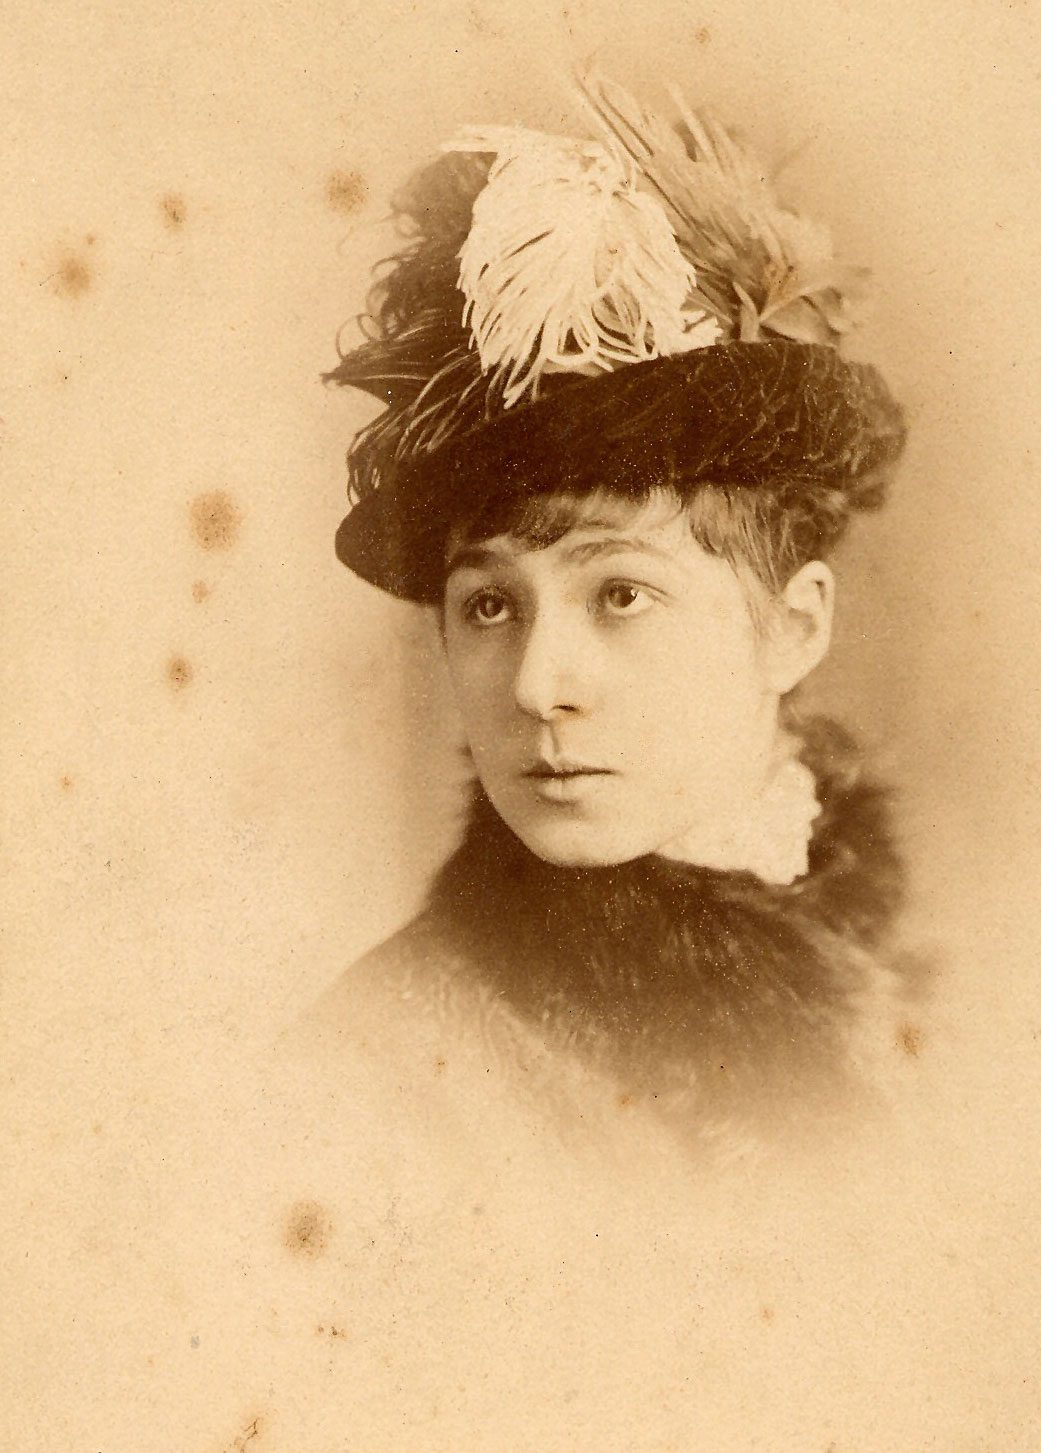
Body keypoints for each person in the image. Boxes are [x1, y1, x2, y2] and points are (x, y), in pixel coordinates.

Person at [312, 76, 921, 1162]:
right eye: (488, 603)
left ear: (793, 628)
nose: (537, 685)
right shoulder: (363, 1086)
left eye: (621, 594)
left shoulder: (914, 977)